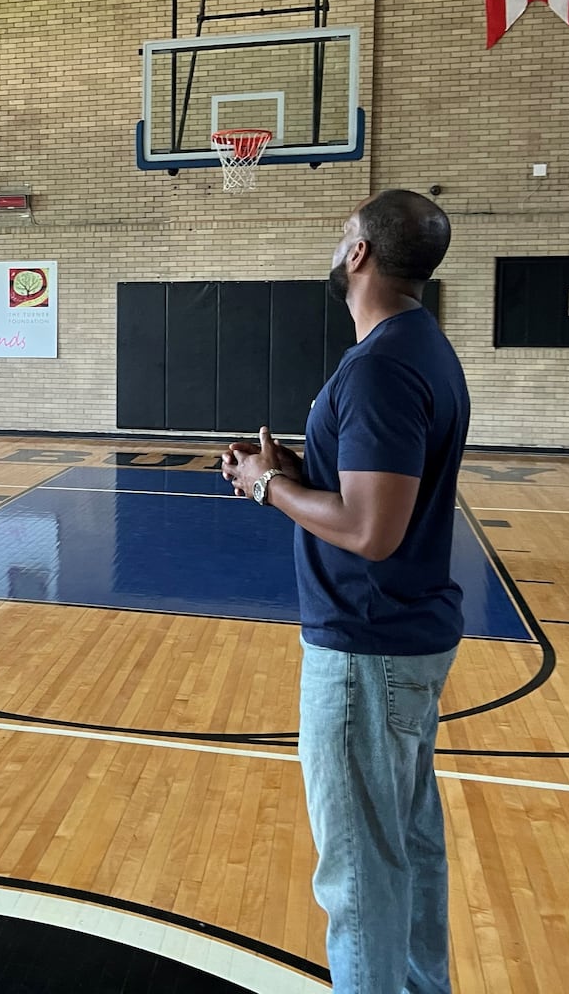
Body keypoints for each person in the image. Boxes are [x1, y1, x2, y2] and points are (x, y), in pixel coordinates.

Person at [222, 188, 469, 994]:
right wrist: (301, 476)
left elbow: (371, 530)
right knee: (406, 851)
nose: (337, 248)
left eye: (342, 236)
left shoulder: (382, 367)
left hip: (367, 648)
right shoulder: (418, 345)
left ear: (359, 254)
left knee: (360, 879)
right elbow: (374, 495)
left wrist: (265, 487)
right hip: (402, 640)